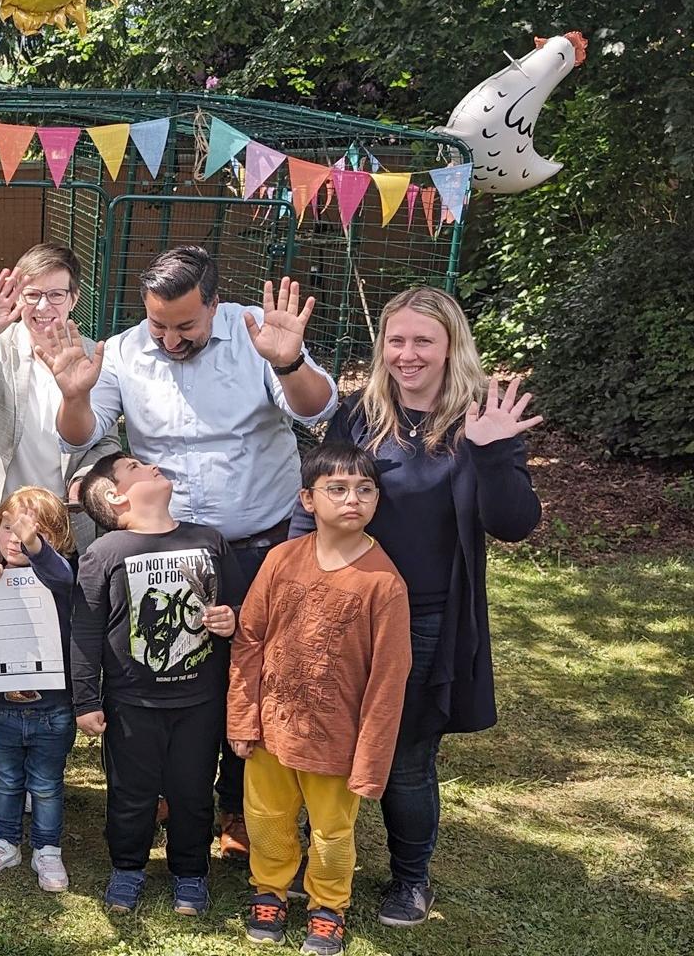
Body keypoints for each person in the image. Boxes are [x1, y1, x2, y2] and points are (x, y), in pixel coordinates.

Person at [45, 246, 340, 857]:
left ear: (214, 302)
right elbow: (83, 432)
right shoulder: (125, 352)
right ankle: (163, 789)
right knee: (165, 666)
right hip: (166, 550)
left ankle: (236, 805)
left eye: (187, 326)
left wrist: (289, 365)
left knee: (252, 674)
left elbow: (316, 407)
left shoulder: (255, 334)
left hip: (259, 541)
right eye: (160, 326)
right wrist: (74, 396)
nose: (172, 339)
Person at [292, 285, 542, 929]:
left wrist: (492, 452)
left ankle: (409, 879)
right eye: (396, 340)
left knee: (403, 756)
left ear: (451, 345)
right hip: (344, 607)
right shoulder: (360, 414)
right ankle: (310, 861)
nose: (407, 354)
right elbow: (319, 496)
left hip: (426, 619)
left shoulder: (478, 421)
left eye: (423, 340)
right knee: (321, 737)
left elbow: (512, 524)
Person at [0, 244, 121, 820]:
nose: (45, 306)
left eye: (56, 294)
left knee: (55, 632)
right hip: (3, 514)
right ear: (16, 298)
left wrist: (92, 482)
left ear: (75, 298)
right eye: (33, 295)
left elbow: (104, 437)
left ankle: (44, 759)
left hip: (66, 522)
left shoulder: (95, 354)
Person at [231, 444, 411, 955]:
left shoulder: (384, 584)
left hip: (336, 740)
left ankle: (328, 905)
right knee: (266, 816)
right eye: (337, 488)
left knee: (332, 831)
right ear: (308, 499)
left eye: (364, 489)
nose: (351, 499)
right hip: (271, 727)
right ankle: (269, 891)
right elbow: (249, 639)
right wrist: (243, 720)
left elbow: (389, 679)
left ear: (377, 498)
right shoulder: (280, 560)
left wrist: (371, 761)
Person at [72, 453, 241, 917]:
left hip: (200, 701)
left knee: (192, 790)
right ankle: (127, 867)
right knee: (131, 794)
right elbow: (85, 632)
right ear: (114, 494)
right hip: (132, 704)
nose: (149, 466)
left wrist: (232, 619)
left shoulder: (208, 540)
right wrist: (85, 699)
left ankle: (191, 871)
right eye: (134, 466)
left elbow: (240, 608)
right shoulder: (104, 553)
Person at [0, 487, 79, 893]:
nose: (15, 536)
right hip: (1, 709)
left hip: (53, 708)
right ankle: (5, 841)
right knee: (6, 779)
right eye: (9, 527)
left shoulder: (61, 576)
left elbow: (58, 573)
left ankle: (47, 849)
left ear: (53, 538)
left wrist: (34, 546)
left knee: (46, 785)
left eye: (29, 531)